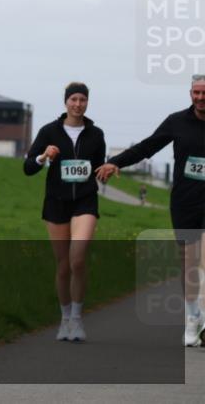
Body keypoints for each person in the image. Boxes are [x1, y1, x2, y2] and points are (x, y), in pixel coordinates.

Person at [96, 75, 205, 348]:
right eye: (196, 93)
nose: (200, 98)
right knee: (188, 263)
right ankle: (193, 319)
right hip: (185, 201)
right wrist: (115, 162)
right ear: (190, 93)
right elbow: (148, 146)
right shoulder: (177, 122)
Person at [23, 82, 106, 342]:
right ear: (66, 102)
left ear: (87, 103)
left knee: (77, 259)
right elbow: (28, 167)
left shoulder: (96, 134)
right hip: (57, 201)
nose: (78, 104)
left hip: (84, 201)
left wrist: (107, 171)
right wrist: (43, 156)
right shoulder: (49, 131)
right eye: (73, 100)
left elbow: (98, 167)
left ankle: (78, 319)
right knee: (63, 266)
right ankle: (65, 319)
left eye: (82, 99)